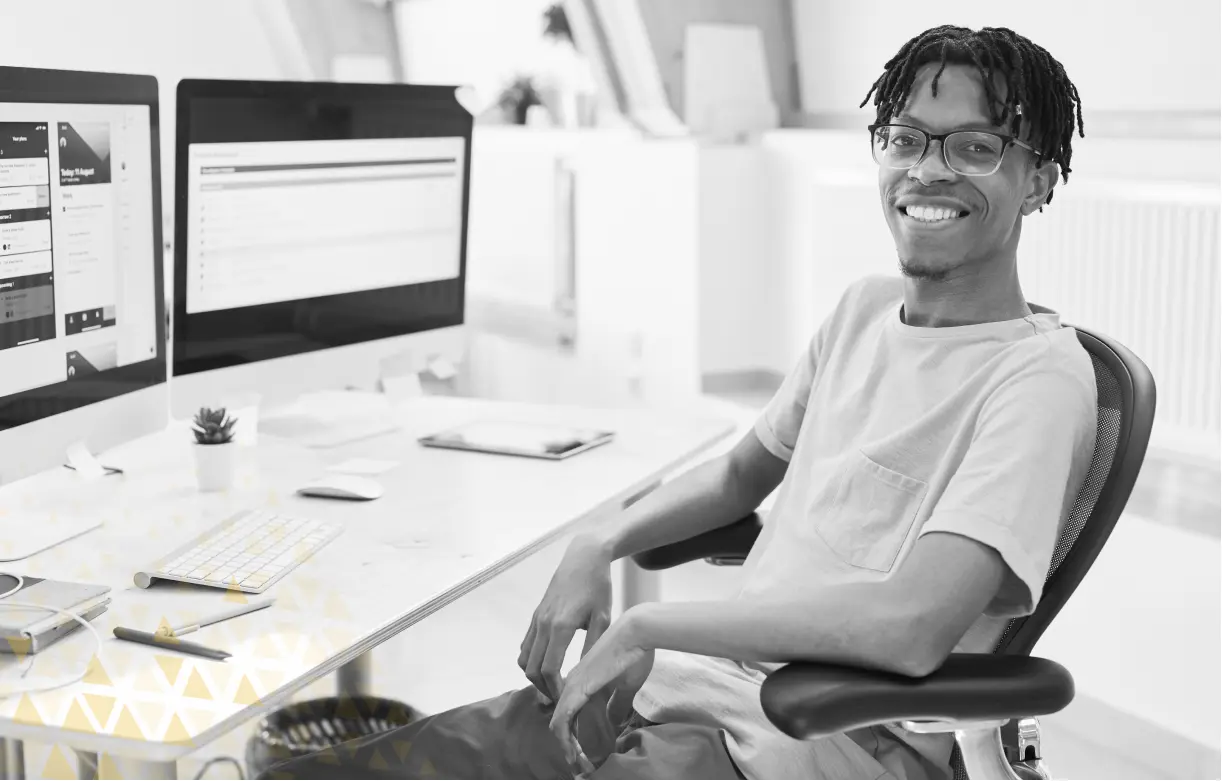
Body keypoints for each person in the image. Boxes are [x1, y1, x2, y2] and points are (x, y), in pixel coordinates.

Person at [263, 24, 1097, 780]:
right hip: (692, 696)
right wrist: (603, 536)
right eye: (907, 138)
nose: (928, 169)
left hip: (802, 746)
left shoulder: (1037, 381)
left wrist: (650, 628)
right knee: (338, 773)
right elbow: (741, 478)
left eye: (977, 147)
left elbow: (911, 624)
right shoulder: (864, 310)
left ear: (1038, 183)